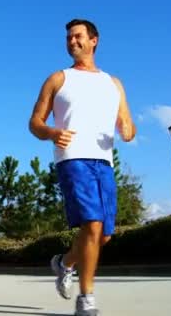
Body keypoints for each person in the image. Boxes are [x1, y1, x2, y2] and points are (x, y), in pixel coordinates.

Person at [28, 19, 136, 316]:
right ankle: (86, 299)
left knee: (103, 235)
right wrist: (52, 132)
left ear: (94, 40)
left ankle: (64, 263)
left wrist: (127, 128)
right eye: (68, 37)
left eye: (78, 36)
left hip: (104, 161)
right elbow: (35, 122)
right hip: (72, 157)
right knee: (92, 225)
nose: (72, 41)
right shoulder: (58, 79)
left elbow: (127, 122)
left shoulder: (113, 83)